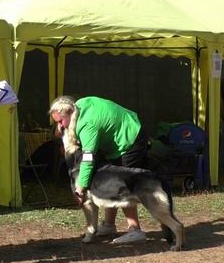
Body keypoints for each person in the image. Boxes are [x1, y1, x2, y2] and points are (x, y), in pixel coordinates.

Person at [49, 95, 149, 244]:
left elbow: (88, 159)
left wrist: (81, 188)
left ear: (70, 112)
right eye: (56, 122)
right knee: (112, 181)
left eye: (60, 121)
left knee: (123, 184)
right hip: (116, 135)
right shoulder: (78, 105)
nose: (59, 126)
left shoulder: (87, 125)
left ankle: (135, 230)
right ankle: (109, 225)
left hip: (129, 137)